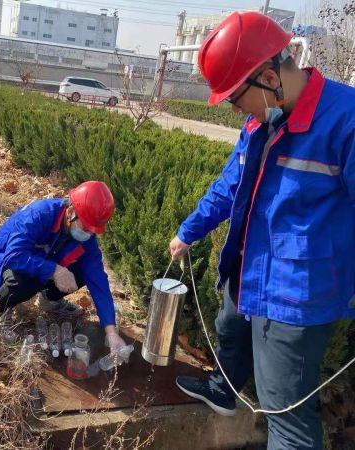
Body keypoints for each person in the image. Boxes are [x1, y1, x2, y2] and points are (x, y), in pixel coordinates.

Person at [170, 11, 355, 449]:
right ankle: (224, 389)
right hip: (251, 269)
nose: (235, 110)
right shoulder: (260, 120)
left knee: (285, 418)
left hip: (295, 298)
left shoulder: (344, 121)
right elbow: (228, 186)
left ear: (270, 77)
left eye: (234, 98)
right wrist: (188, 231)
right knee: (228, 324)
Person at [0, 180, 126, 352]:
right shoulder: (39, 214)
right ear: (71, 212)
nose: (89, 234)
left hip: (45, 258)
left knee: (83, 272)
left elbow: (98, 278)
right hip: (2, 255)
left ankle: (49, 300)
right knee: (26, 281)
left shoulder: (86, 236)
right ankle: (4, 310)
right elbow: (14, 256)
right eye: (86, 228)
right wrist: (54, 270)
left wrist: (111, 332)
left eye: (94, 230)